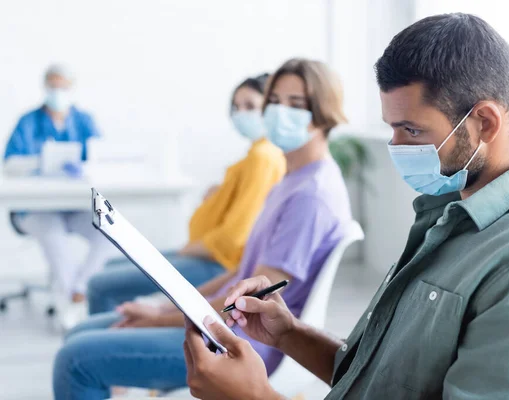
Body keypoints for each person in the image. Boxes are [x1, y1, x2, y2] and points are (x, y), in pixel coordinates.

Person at [182, 14, 509, 400]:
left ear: (486, 122)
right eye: (392, 128)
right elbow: (379, 379)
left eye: (412, 129)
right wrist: (289, 333)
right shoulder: (450, 214)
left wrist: (256, 397)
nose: (396, 146)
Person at [53, 58, 352, 399]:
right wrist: (165, 309)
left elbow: (250, 303)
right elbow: (242, 273)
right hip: (227, 327)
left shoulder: (311, 196)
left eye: (295, 104)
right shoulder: (292, 180)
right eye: (275, 101)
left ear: (324, 111)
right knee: (79, 336)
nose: (280, 112)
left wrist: (157, 318)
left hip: (247, 343)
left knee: (74, 358)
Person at [86, 73, 286, 315]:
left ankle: (106, 340)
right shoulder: (259, 154)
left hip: (218, 262)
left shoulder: (262, 157)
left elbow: (234, 239)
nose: (241, 114)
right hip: (210, 256)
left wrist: (190, 249)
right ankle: (113, 331)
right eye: (236, 107)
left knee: (100, 286)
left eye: (250, 106)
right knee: (109, 266)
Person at [4, 64, 111, 314]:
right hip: (35, 209)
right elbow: (9, 163)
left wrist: (82, 166)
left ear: (71, 89)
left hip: (73, 206)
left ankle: (80, 289)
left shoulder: (84, 121)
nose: (57, 92)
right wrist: (40, 162)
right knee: (55, 239)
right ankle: (69, 310)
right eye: (53, 86)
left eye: (62, 87)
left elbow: (101, 158)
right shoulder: (28, 122)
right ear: (45, 87)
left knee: (108, 232)